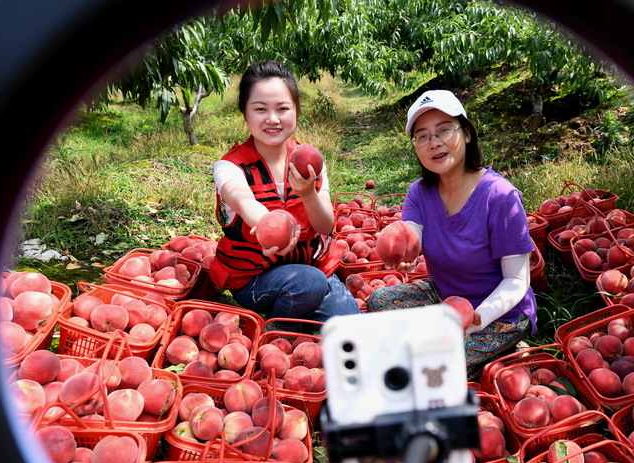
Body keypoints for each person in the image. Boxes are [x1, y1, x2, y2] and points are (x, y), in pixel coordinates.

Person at [366, 89, 538, 381]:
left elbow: (517, 280)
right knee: (379, 302)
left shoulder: (500, 196)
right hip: (448, 298)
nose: (434, 143)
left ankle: (507, 346)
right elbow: (412, 235)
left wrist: (478, 318)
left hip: (500, 313)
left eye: (444, 130)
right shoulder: (419, 193)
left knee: (434, 365)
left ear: (467, 134)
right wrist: (402, 246)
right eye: (422, 136)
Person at [208, 60, 360, 326]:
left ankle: (303, 306)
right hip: (255, 277)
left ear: (296, 111)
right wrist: (267, 223)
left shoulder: (309, 161)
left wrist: (308, 195)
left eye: (283, 108)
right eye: (260, 109)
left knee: (351, 330)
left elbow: (325, 225)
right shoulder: (230, 166)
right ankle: (279, 329)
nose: (273, 119)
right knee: (309, 283)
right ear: (244, 112)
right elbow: (241, 198)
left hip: (313, 266)